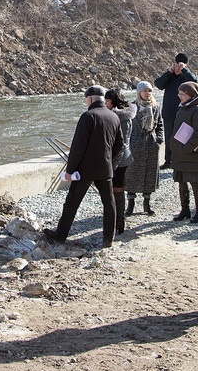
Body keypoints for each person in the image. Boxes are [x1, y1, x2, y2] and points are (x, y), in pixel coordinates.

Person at [43, 85, 123, 248]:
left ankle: (60, 235)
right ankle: (108, 238)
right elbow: (120, 144)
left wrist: (69, 171)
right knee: (109, 202)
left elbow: (78, 147)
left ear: (90, 99)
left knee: (72, 201)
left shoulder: (88, 116)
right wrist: (109, 159)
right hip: (105, 168)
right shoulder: (113, 117)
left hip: (85, 170)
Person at [169, 81, 198, 223]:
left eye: (183, 94)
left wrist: (188, 148)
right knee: (181, 180)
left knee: (194, 181)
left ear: (191, 94)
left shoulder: (197, 109)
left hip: (191, 153)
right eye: (179, 94)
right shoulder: (183, 107)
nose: (180, 96)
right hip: (180, 152)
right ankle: (185, 209)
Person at [124, 81, 164, 217]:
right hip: (135, 144)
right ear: (139, 92)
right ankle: (130, 204)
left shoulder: (156, 106)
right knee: (132, 173)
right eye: (145, 91)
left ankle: (147, 204)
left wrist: (159, 139)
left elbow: (160, 124)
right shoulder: (132, 106)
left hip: (151, 144)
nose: (148, 94)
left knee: (149, 174)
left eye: (150, 91)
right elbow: (126, 125)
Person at [154, 52, 197, 169]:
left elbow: (195, 82)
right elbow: (158, 84)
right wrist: (169, 72)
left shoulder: (186, 78)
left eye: (180, 66)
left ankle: (181, 161)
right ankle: (168, 160)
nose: (177, 68)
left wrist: (185, 71)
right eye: (176, 65)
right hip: (168, 113)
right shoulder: (169, 77)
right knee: (169, 138)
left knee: (182, 137)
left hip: (183, 114)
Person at [105, 87, 136, 234]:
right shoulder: (126, 116)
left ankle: (118, 221)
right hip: (123, 157)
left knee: (117, 189)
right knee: (117, 189)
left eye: (107, 101)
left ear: (113, 102)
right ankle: (118, 220)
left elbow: (120, 144)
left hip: (119, 159)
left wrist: (112, 164)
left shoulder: (120, 118)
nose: (105, 104)